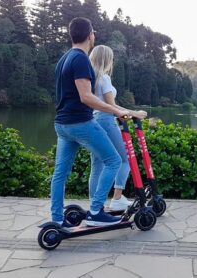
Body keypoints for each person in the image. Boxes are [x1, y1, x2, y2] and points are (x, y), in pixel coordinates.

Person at [51, 17, 130, 227]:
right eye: (93, 33)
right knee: (113, 161)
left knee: (60, 173)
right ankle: (96, 211)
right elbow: (86, 97)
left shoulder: (64, 59)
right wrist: (115, 110)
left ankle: (57, 219)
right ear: (90, 35)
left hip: (62, 125)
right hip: (80, 123)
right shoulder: (81, 59)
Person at [88, 45, 147, 211]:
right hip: (106, 120)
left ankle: (95, 204)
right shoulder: (104, 78)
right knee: (124, 159)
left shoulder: (90, 78)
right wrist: (134, 113)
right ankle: (117, 197)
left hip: (94, 120)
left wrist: (127, 113)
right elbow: (111, 106)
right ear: (107, 59)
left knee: (97, 164)